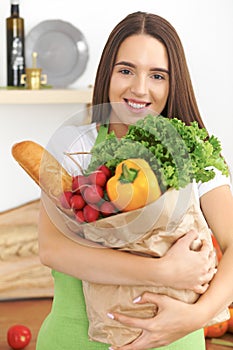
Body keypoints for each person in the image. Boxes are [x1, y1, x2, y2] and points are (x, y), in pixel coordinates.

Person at [36, 11, 233, 350]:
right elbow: (53, 250)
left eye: (157, 75)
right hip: (73, 340)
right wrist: (164, 273)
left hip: (176, 341)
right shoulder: (74, 145)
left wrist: (195, 317)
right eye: (126, 70)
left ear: (174, 84)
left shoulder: (193, 151)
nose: (140, 89)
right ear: (107, 74)